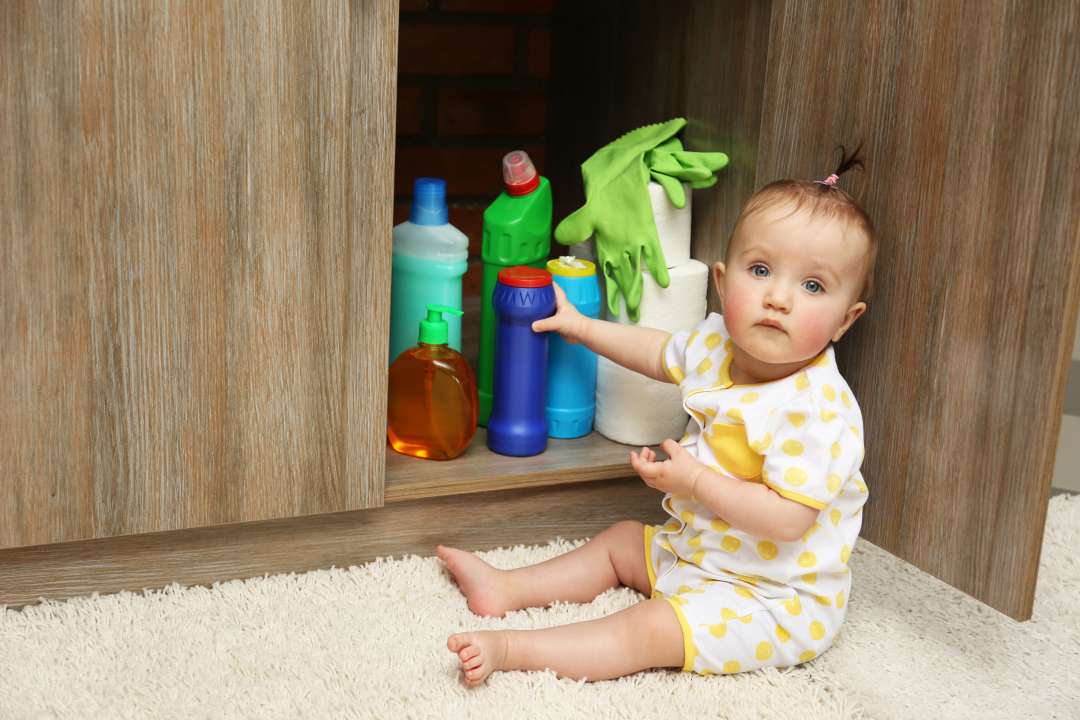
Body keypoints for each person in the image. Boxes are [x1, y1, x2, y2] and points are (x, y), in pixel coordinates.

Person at [438, 146, 877, 686]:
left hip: (774, 599)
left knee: (648, 628)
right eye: (761, 270)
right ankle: (507, 588)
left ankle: (511, 649)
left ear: (845, 319)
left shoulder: (819, 409)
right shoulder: (718, 345)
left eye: (812, 286)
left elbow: (787, 519)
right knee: (624, 540)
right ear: (721, 280)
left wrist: (694, 480)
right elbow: (656, 352)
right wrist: (582, 327)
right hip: (702, 552)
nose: (778, 298)